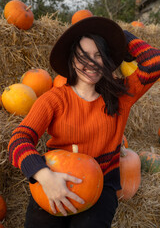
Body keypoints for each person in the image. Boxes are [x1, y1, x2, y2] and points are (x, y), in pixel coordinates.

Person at [8, 16, 160, 228]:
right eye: (83, 56)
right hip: (54, 175)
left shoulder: (120, 95)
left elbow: (154, 61)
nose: (91, 63)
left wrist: (117, 36)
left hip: (102, 180)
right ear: (71, 60)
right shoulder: (54, 99)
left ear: (106, 60)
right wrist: (44, 176)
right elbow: (19, 140)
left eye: (99, 56)